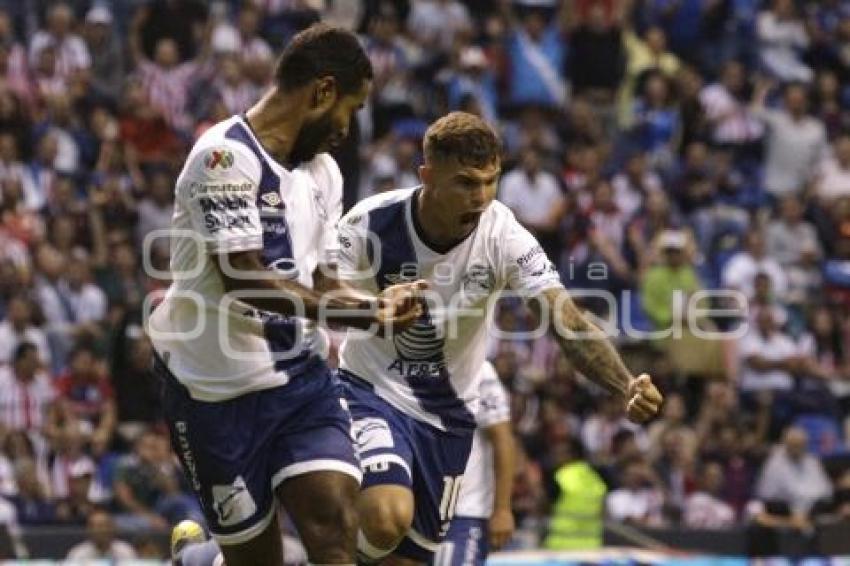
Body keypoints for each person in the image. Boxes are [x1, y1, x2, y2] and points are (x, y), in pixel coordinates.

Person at [146, 23, 423, 566]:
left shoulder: (323, 173)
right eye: (351, 107)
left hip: (302, 384)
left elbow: (323, 282)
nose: (348, 129)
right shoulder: (222, 159)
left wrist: (378, 306)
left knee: (334, 530)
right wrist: (367, 314)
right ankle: (201, 559)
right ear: (322, 92)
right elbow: (246, 279)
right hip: (212, 394)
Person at [334, 111, 662, 564]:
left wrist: (624, 383)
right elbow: (324, 295)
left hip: (448, 416)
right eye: (466, 183)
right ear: (427, 175)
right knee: (386, 516)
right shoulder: (369, 222)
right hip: (371, 390)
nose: (481, 197)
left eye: (491, 181)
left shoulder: (504, 234)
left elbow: (567, 321)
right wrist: (373, 308)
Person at [433, 361, 515, 566]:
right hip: (417, 511)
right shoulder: (404, 363)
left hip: (464, 512)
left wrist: (502, 509)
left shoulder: (479, 369)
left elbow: (502, 438)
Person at [66, 509, 137, 561]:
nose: (102, 531)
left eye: (106, 526)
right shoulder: (78, 553)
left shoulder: (125, 550)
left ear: (113, 528)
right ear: (89, 530)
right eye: (97, 526)